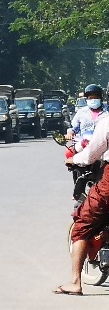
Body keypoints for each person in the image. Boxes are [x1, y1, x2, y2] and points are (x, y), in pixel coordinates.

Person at [54, 89, 109, 296]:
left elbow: (91, 154)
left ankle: (75, 283)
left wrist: (73, 159)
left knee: (82, 225)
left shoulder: (106, 122)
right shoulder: (84, 115)